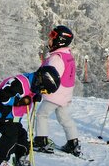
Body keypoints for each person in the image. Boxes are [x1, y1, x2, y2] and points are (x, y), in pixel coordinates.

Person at [0, 66, 60, 166]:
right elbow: (3, 96)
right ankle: (0, 162)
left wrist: (36, 95)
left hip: (12, 117)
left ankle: (20, 159)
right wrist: (20, 102)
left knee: (22, 135)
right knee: (11, 135)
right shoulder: (19, 83)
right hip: (0, 113)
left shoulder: (34, 84)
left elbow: (31, 93)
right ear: (40, 81)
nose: (43, 92)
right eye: (43, 90)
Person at [33, 25, 82, 156]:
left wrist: (39, 88)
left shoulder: (56, 58)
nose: (49, 41)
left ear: (59, 40)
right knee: (64, 117)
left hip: (55, 94)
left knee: (41, 115)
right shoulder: (67, 54)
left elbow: (50, 77)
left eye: (51, 38)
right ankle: (73, 143)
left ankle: (41, 141)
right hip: (65, 94)